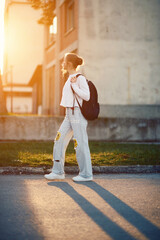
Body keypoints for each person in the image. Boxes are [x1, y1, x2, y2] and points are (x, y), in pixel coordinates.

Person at [44, 53, 93, 182]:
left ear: (69, 64)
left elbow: (87, 96)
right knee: (59, 139)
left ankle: (86, 174)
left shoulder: (79, 78)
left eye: (64, 61)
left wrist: (75, 86)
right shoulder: (69, 77)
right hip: (68, 115)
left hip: (77, 114)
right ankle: (58, 172)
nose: (62, 64)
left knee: (80, 143)